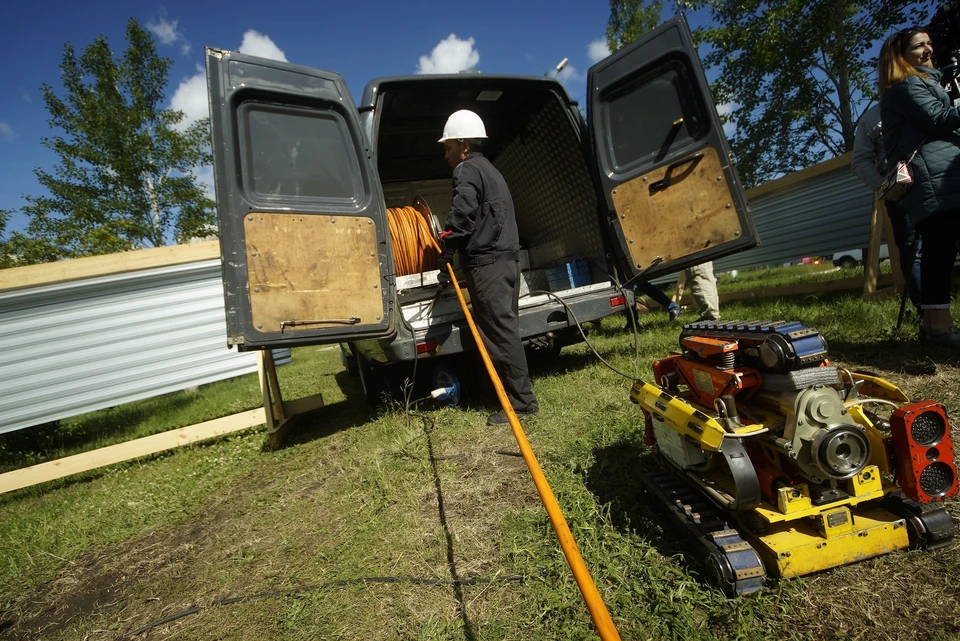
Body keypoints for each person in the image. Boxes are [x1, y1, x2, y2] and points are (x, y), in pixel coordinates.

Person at [436, 109, 539, 424]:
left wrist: (446, 249)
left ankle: (522, 405)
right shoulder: (491, 170)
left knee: (499, 335)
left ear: (464, 145)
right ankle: (503, 395)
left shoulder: (466, 170)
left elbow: (462, 213)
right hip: (506, 261)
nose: (446, 155)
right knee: (506, 331)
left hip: (488, 266)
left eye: (449, 147)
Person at [880, 28, 960, 346]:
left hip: (938, 177)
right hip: (934, 179)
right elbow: (938, 119)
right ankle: (938, 328)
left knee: (939, 251)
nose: (928, 49)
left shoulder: (921, 82)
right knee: (939, 251)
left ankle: (934, 325)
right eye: (919, 46)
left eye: (929, 43)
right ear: (902, 56)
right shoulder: (906, 85)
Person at [851, 102, 922, 312]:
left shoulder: (933, 101)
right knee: (912, 249)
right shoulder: (873, 117)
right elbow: (860, 161)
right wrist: (884, 186)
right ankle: (925, 311)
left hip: (940, 182)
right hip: (902, 191)